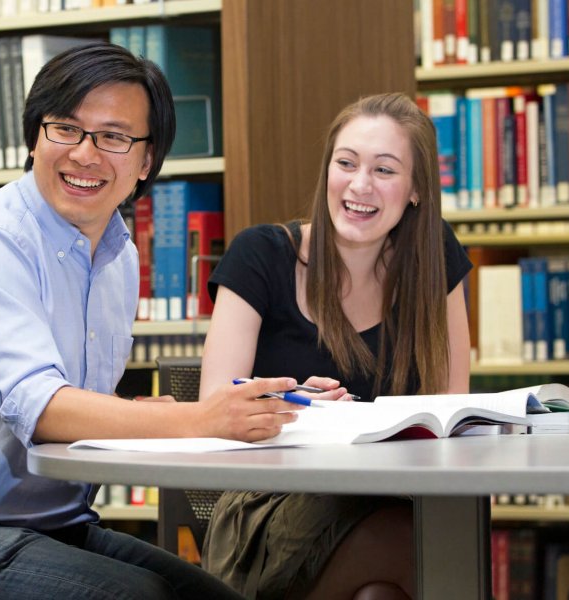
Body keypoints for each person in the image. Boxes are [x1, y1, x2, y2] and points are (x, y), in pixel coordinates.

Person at [0, 41, 302, 600]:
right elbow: (42, 407)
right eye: (65, 129)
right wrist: (201, 419)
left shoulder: (119, 255)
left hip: (58, 526)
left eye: (113, 137)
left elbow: (76, 402)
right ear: (35, 137)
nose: (84, 154)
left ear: (146, 160)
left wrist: (272, 406)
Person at [198, 92, 473, 600]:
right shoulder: (260, 256)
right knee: (425, 543)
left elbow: (451, 408)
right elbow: (213, 406)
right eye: (346, 163)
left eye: (385, 170)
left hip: (394, 495)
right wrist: (295, 405)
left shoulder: (435, 258)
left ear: (416, 190)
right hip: (271, 506)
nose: (359, 185)